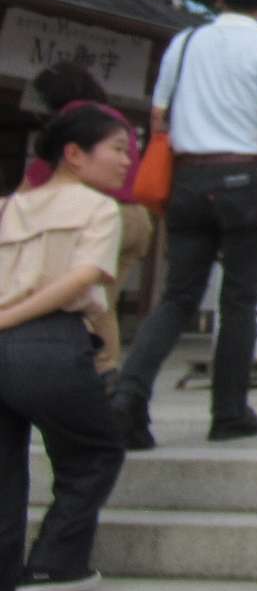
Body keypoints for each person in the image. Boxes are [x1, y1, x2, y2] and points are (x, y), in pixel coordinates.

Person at [110, 0, 257, 449]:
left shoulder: (184, 43)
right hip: (245, 175)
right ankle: (229, 411)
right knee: (239, 300)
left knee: (177, 297)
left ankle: (128, 396)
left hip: (190, 178)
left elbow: (158, 119)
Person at [1, 103, 134, 591]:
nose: (128, 161)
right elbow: (83, 281)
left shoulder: (9, 206)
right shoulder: (100, 208)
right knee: (97, 450)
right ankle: (55, 562)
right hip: (49, 343)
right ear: (74, 155)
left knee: (3, 495)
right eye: (119, 149)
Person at [19, 63, 151, 377]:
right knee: (104, 302)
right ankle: (102, 371)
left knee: (90, 300)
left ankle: (103, 373)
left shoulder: (77, 118)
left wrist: (14, 207)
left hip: (102, 215)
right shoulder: (113, 118)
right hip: (137, 218)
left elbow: (39, 175)